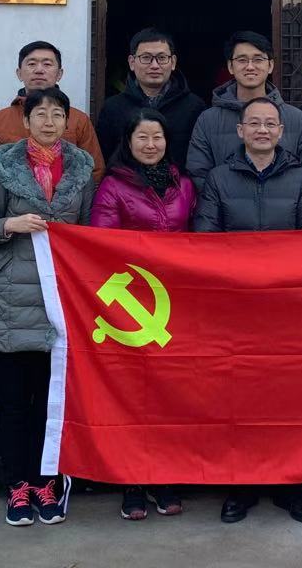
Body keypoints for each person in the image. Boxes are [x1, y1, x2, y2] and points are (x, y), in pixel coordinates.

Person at [194, 95, 302, 525]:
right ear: (241, 130)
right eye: (255, 123)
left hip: (287, 308)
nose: (263, 130)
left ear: (282, 131)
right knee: (239, 397)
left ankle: (292, 485)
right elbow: (205, 238)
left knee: (290, 397)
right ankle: (241, 485)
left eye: (270, 123)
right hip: (236, 307)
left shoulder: (301, 177)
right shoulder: (219, 177)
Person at [0, 86, 95, 527]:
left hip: (60, 302)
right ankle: (17, 486)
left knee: (51, 402)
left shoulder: (81, 171)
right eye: (40, 114)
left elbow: (90, 235)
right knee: (12, 403)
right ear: (25, 122)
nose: (48, 121)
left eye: (57, 114)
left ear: (68, 122)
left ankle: (47, 483)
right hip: (10, 299)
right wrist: (11, 223)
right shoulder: (4, 169)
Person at [90, 107, 195, 520]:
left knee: (171, 394)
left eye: (158, 137)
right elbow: (101, 244)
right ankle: (131, 480)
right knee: (133, 395)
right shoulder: (113, 186)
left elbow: (199, 239)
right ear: (128, 142)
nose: (151, 145)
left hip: (178, 303)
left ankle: (164, 474)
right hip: (131, 306)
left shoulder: (184, 185)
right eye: (142, 137)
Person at [186, 31, 302, 191]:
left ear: (270, 65)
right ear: (230, 66)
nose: (250, 67)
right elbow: (198, 173)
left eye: (258, 59)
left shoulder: (295, 118)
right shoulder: (208, 120)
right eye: (242, 60)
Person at [0, 41, 105, 182]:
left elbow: (95, 170)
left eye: (47, 64)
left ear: (59, 74)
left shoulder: (78, 120)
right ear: (19, 73)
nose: (39, 70)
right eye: (32, 64)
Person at [94, 28, 207, 170]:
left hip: (178, 183)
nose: (154, 65)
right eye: (146, 58)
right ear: (132, 62)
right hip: (126, 183)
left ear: (173, 62)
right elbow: (103, 159)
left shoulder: (194, 107)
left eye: (162, 58)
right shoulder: (112, 108)